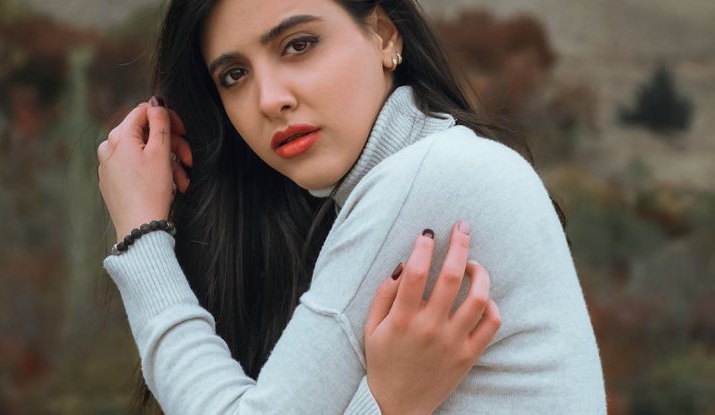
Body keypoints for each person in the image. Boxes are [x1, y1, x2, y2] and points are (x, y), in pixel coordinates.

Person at [97, 0, 606, 414]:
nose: (270, 99)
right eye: (234, 75)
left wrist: (142, 237)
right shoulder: (435, 170)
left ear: (384, 34)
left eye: (298, 45)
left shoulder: (430, 178)